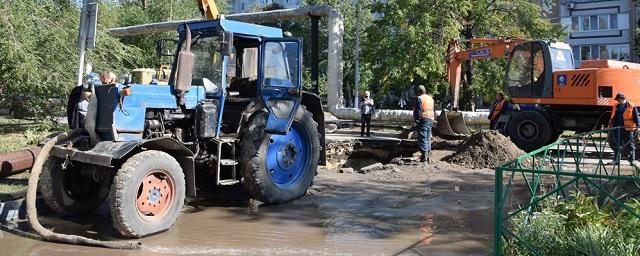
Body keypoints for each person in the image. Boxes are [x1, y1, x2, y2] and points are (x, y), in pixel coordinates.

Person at [608, 92, 640, 164]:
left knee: (630, 145)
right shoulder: (616, 106)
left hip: (628, 129)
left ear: (623, 99)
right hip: (617, 128)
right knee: (616, 144)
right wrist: (610, 126)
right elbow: (613, 116)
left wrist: (638, 126)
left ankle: (632, 160)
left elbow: (636, 117)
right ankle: (616, 160)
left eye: (618, 99)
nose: (617, 101)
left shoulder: (631, 105)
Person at [414, 85, 435, 163]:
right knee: (428, 137)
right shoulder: (430, 98)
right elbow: (434, 109)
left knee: (423, 138)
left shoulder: (419, 98)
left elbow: (417, 112)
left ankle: (424, 157)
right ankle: (428, 156)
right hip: (430, 119)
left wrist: (417, 122)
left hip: (423, 119)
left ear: (419, 92)